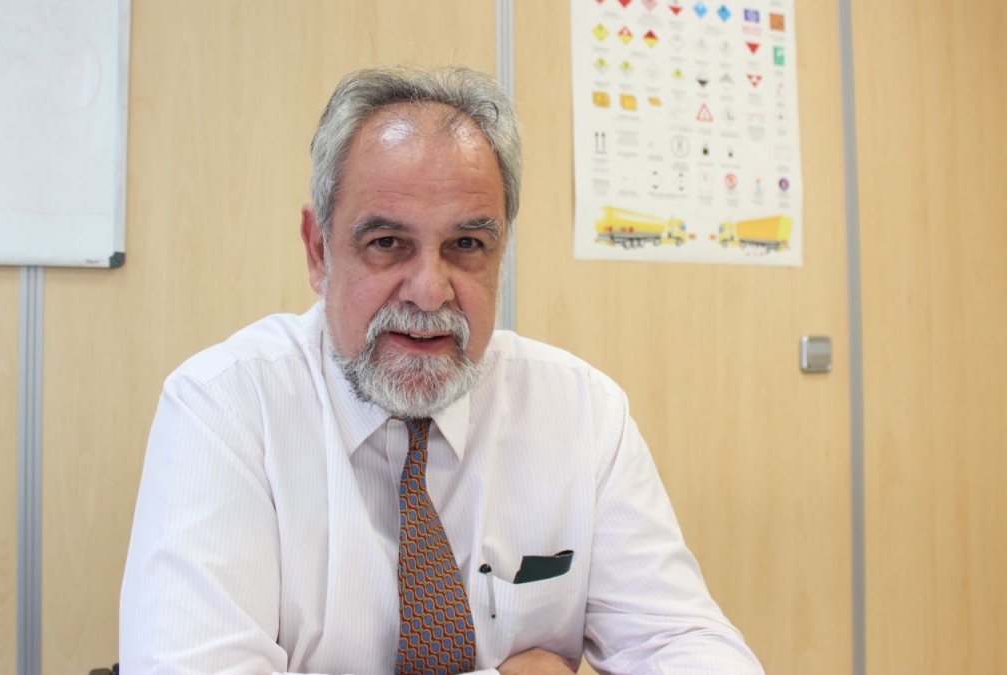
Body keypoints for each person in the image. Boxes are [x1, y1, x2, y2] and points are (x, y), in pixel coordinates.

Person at [120, 66, 764, 675]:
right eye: (387, 243)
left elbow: (683, 641)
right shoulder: (223, 407)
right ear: (319, 251)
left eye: (466, 245)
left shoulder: (583, 412)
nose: (430, 291)